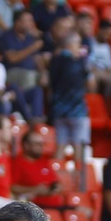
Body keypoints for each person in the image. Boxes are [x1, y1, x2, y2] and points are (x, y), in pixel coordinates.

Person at [47, 28, 91, 157]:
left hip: (59, 110)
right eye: (78, 43)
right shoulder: (78, 62)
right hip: (77, 111)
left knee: (60, 147)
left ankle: (56, 174)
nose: (79, 46)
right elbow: (89, 84)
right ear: (70, 44)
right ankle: (80, 177)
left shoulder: (55, 60)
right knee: (79, 150)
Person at [0, 10, 46, 123]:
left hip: (31, 74)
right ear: (17, 22)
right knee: (29, 76)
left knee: (38, 89)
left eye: (31, 21)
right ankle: (28, 117)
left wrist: (43, 72)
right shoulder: (7, 36)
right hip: (12, 73)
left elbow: (37, 59)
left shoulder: (30, 38)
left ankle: (37, 118)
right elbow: (12, 58)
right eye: (27, 21)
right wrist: (33, 48)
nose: (30, 24)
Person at [11, 131, 61, 207]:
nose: (40, 147)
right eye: (37, 144)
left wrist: (56, 187)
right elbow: (12, 187)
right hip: (35, 207)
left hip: (55, 205)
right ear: (26, 145)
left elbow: (55, 181)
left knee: (82, 211)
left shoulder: (44, 161)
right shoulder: (17, 162)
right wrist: (35, 190)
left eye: (41, 144)